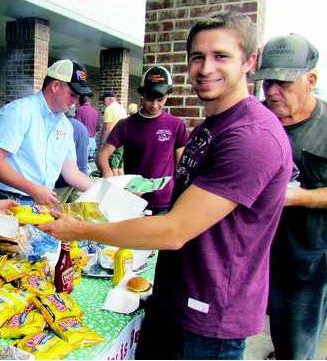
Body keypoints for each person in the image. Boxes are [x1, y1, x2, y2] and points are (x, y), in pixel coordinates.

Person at [40, 12, 293, 359]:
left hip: (210, 314)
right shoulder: (212, 125)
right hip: (176, 296)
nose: (206, 68)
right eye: (197, 57)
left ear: (250, 61)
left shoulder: (251, 136)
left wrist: (80, 230)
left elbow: (174, 230)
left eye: (221, 56)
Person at [256, 34, 327, 360]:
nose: (271, 90)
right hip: (254, 258)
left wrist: (301, 197)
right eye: (268, 80)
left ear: (311, 79)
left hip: (305, 266)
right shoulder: (256, 121)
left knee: (296, 349)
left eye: (283, 81)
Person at [0, 59, 94, 205]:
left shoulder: (65, 125)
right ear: (55, 86)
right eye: (73, 94)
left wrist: (107, 191)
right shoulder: (20, 111)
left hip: (38, 202)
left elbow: (72, 173)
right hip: (7, 201)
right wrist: (34, 189)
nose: (75, 100)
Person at [96, 66, 187, 214]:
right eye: (150, 99)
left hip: (164, 202)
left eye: (160, 99)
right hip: (132, 200)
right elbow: (102, 155)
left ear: (167, 96)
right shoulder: (125, 125)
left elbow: (182, 165)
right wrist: (108, 175)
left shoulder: (176, 125)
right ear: (142, 95)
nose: (155, 105)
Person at [56, 104, 90, 188]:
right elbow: (87, 149)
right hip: (81, 174)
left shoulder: (61, 126)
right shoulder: (82, 127)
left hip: (65, 177)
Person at [100, 91, 127, 169]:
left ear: (110, 99)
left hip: (113, 142)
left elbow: (107, 128)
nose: (103, 103)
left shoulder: (109, 109)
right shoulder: (121, 108)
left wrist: (103, 143)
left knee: (111, 165)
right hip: (123, 141)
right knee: (119, 165)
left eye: (104, 100)